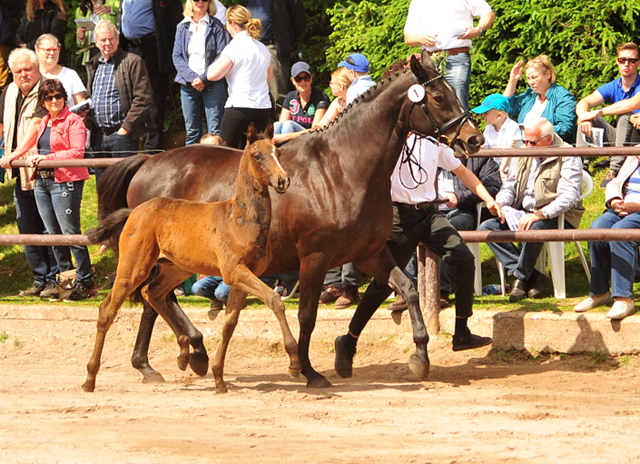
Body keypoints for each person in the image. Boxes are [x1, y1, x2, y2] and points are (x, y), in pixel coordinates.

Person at [333, 133, 503, 378]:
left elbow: (463, 172)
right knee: (382, 286)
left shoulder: (434, 144)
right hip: (399, 219)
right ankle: (349, 340)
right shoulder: (391, 142)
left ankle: (462, 332)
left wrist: (489, 199)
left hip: (429, 215)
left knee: (464, 259)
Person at [479, 117, 584, 302]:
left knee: (533, 229)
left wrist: (539, 214)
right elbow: (509, 186)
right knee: (486, 228)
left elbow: (569, 198)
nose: (527, 147)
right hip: (523, 212)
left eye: (532, 142)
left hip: (557, 215)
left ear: (549, 140)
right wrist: (501, 203)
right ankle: (532, 276)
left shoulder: (568, 154)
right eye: (525, 141)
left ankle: (521, 279)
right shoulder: (522, 153)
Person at [24, 79, 96, 301]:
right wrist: (31, 159)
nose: (54, 101)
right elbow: (35, 148)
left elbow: (77, 153)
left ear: (64, 97)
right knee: (53, 236)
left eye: (58, 96)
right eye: (49, 97)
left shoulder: (74, 121)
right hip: (42, 183)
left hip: (65, 181)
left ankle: (86, 282)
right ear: (43, 101)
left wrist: (47, 158)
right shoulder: (43, 122)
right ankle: (66, 284)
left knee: (70, 233)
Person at [319, 53, 378, 309]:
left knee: (346, 226)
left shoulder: (356, 92)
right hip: (361, 167)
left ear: (351, 73)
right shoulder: (374, 87)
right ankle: (341, 283)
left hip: (353, 169)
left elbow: (351, 131)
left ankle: (348, 285)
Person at [0, 48, 58, 298]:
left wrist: (13, 156)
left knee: (48, 226)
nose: (23, 74)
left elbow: (35, 128)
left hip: (42, 171)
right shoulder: (10, 91)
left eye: (28, 69)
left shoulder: (47, 90)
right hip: (18, 172)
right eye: (18, 71)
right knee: (26, 226)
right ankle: (39, 278)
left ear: (37, 68)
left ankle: (56, 278)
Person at [86, 20, 154, 183]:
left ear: (118, 39)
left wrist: (126, 127)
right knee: (103, 185)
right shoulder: (93, 64)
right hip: (99, 134)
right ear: (96, 42)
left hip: (122, 134)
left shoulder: (132, 61)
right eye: (103, 40)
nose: (107, 43)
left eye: (111, 39)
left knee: (123, 184)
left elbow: (144, 98)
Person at [573, 155, 640, 320]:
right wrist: (615, 200)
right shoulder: (635, 154)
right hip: (622, 207)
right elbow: (615, 182)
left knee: (620, 232)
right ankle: (600, 292)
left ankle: (624, 299)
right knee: (596, 230)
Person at [403, 0, 495, 110]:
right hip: (429, 61)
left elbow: (488, 13)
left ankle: (463, 127)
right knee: (429, 107)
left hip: (456, 57)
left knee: (458, 105)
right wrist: (420, 38)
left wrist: (478, 29)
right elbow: (408, 38)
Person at [120, 0, 183, 151]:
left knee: (154, 95)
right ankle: (133, 141)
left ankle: (152, 148)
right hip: (129, 47)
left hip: (152, 45)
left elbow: (174, 19)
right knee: (128, 94)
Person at [206, 5, 272, 149]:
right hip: (262, 107)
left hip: (240, 106)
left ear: (233, 24)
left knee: (226, 151)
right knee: (257, 154)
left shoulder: (234, 46)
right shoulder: (263, 48)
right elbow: (269, 76)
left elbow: (212, 75)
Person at [576, 43, 640, 177]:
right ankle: (580, 166)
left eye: (631, 60)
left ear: (638, 63)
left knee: (624, 117)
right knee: (587, 117)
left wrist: (599, 111)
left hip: (637, 139)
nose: (626, 64)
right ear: (617, 62)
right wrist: (584, 117)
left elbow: (632, 104)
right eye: (622, 60)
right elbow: (584, 102)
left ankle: (614, 169)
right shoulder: (612, 86)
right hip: (621, 139)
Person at [173, 0, 228, 145]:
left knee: (215, 132)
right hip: (188, 86)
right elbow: (177, 56)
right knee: (192, 132)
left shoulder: (216, 24)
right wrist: (193, 79)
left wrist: (204, 78)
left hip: (213, 84)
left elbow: (221, 55)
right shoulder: (182, 26)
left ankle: (215, 166)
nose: (201, 2)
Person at [239, 0, 307, 114]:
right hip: (250, 46)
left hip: (274, 47)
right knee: (250, 92)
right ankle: (256, 129)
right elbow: (239, 17)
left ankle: (281, 128)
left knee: (278, 94)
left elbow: (300, 20)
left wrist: (286, 40)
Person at [504, 55, 577, 144]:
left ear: (548, 75)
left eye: (534, 77)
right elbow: (506, 107)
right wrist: (513, 80)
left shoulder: (563, 97)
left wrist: (537, 133)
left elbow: (565, 128)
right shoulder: (530, 95)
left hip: (552, 150)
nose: (531, 82)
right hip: (525, 148)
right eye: (528, 78)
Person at [272, 61, 329, 144]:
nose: (303, 82)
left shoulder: (321, 98)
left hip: (312, 140)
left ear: (311, 78)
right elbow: (282, 123)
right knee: (277, 125)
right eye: (298, 79)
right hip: (292, 137)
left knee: (289, 125)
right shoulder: (290, 96)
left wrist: (286, 137)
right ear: (293, 80)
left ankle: (286, 154)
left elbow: (316, 131)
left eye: (306, 78)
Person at [471, 93, 522, 180]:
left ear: (499, 116)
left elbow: (508, 150)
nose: (483, 116)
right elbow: (483, 147)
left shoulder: (512, 126)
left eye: (486, 113)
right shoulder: (488, 128)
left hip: (513, 168)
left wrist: (500, 171)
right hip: (495, 167)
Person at [35, 34, 87, 105]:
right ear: (37, 50)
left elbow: (82, 105)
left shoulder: (70, 75)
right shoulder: (32, 75)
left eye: (55, 50)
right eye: (47, 50)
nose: (52, 53)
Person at [75, 0, 119, 67]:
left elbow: (123, 12)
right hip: (91, 52)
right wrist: (81, 37)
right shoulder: (80, 11)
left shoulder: (112, 2)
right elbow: (80, 44)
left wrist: (110, 10)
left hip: (109, 49)